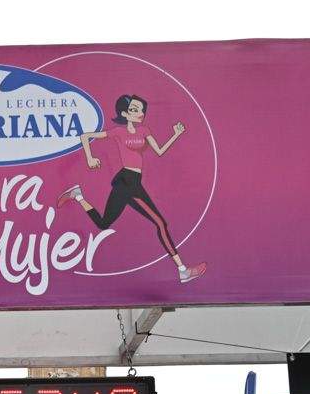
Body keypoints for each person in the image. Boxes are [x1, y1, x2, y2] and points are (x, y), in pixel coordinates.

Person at [58, 93, 206, 284]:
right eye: (135, 110)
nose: (140, 113)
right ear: (124, 114)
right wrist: (90, 158)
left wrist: (176, 134)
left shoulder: (144, 130)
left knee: (103, 223)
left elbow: (160, 151)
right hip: (127, 182)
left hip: (132, 182)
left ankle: (78, 196)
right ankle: (183, 271)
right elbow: (85, 136)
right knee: (160, 223)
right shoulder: (118, 132)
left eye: (142, 110)